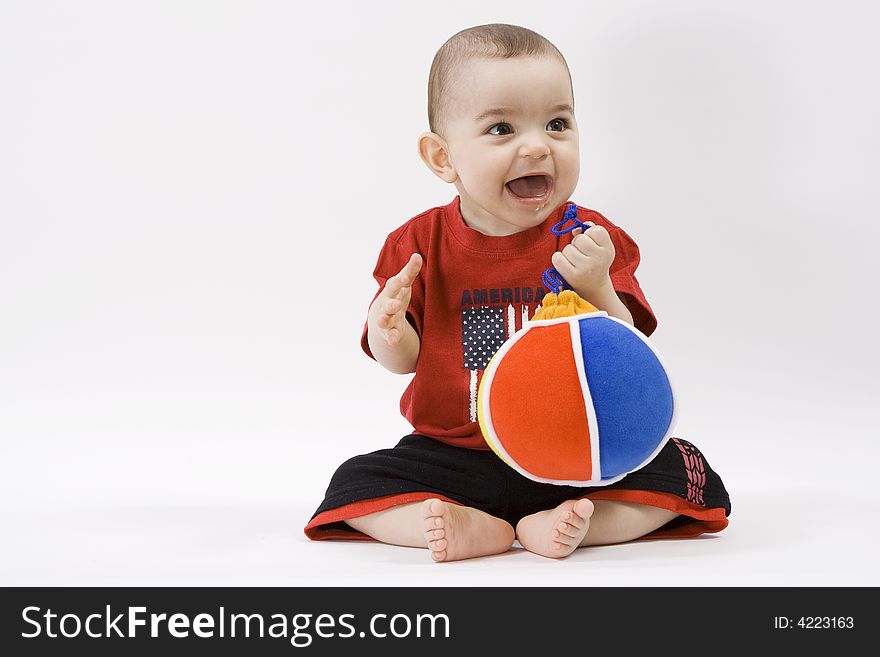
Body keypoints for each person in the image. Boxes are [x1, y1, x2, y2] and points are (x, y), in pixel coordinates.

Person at [304, 23, 730, 562]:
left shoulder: (590, 237)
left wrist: (597, 284)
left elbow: (630, 355)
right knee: (355, 483)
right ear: (443, 158)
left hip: (573, 454)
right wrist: (390, 330)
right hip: (455, 454)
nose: (537, 145)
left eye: (557, 123)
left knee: (682, 470)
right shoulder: (418, 242)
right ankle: (471, 525)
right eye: (502, 128)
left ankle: (567, 525)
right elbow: (403, 361)